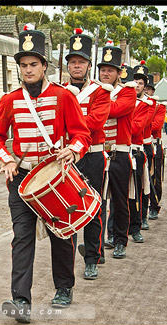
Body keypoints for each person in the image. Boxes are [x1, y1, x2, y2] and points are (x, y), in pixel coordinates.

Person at [0, 25, 91, 323]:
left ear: (44, 65)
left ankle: (64, 288)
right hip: (21, 180)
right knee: (22, 237)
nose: (28, 70)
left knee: (62, 232)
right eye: (23, 65)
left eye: (33, 64)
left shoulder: (63, 96)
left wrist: (73, 149)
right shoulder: (9, 100)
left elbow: (82, 134)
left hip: (55, 176)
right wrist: (6, 159)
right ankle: (21, 300)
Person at [65, 34, 112, 279]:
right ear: (67, 65)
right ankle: (67, 260)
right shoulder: (61, 91)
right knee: (69, 209)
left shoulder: (101, 92)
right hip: (70, 157)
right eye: (72, 62)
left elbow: (96, 121)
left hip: (93, 155)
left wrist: (69, 123)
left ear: (88, 65)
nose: (76, 66)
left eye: (81, 62)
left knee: (93, 207)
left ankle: (92, 257)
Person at [101, 62, 137, 258]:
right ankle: (98, 245)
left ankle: (120, 240)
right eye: (103, 70)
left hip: (119, 153)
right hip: (99, 152)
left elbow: (114, 110)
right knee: (98, 202)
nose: (106, 74)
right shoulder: (95, 91)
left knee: (120, 201)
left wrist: (96, 105)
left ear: (118, 73)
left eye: (110, 70)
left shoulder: (128, 92)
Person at [128, 60, 153, 245]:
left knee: (136, 193)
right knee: (116, 197)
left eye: (141, 82)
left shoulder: (147, 104)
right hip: (118, 151)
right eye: (135, 80)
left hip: (136, 151)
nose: (137, 84)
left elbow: (137, 129)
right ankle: (113, 232)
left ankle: (136, 226)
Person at [141, 74, 159, 231]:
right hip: (133, 144)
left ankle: (153, 206)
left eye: (148, 88)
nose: (145, 91)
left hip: (147, 144)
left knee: (152, 180)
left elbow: (155, 125)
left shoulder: (154, 105)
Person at [149, 100, 167, 221]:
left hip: (154, 144)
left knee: (155, 178)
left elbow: (157, 126)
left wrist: (140, 124)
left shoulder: (158, 107)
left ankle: (154, 206)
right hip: (139, 144)